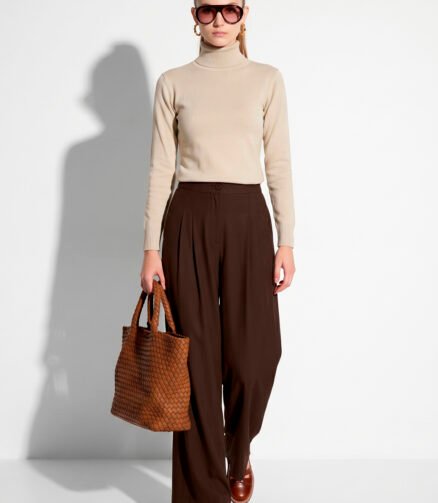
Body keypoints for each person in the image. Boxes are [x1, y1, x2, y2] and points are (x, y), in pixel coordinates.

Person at [140, 1, 296, 501]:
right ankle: (202, 492)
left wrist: (286, 239)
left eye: (230, 10)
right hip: (188, 217)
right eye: (209, 10)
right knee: (195, 359)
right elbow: (160, 169)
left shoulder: (266, 79)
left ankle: (238, 450)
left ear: (245, 15)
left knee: (257, 357)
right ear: (195, 15)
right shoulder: (173, 82)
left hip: (248, 217)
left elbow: (278, 163)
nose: (220, 22)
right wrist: (150, 248)